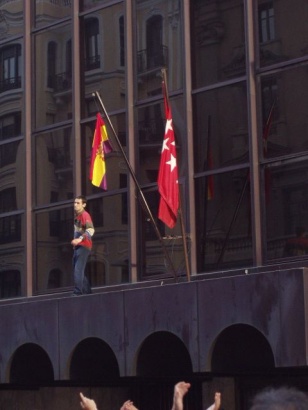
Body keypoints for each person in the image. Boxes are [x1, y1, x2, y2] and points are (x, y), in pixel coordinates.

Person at [71, 195, 95, 295]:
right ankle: (87, 291)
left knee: (78, 269)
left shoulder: (85, 215)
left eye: (78, 203)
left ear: (84, 205)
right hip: (79, 247)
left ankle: (78, 292)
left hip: (84, 245)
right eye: (75, 202)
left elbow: (91, 230)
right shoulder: (78, 217)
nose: (75, 205)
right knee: (78, 268)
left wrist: (79, 239)